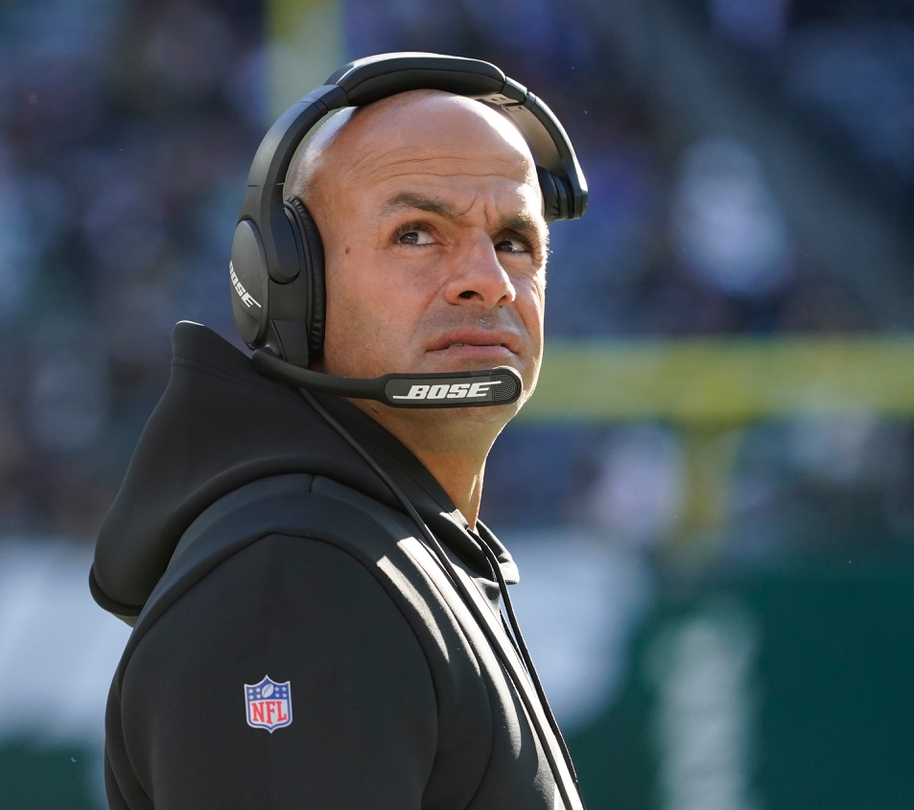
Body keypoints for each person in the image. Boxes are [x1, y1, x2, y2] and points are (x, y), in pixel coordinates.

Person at [90, 55, 585, 810]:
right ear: (288, 279)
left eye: (516, 241)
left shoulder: (370, 548)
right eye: (418, 233)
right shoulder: (296, 576)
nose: (488, 278)